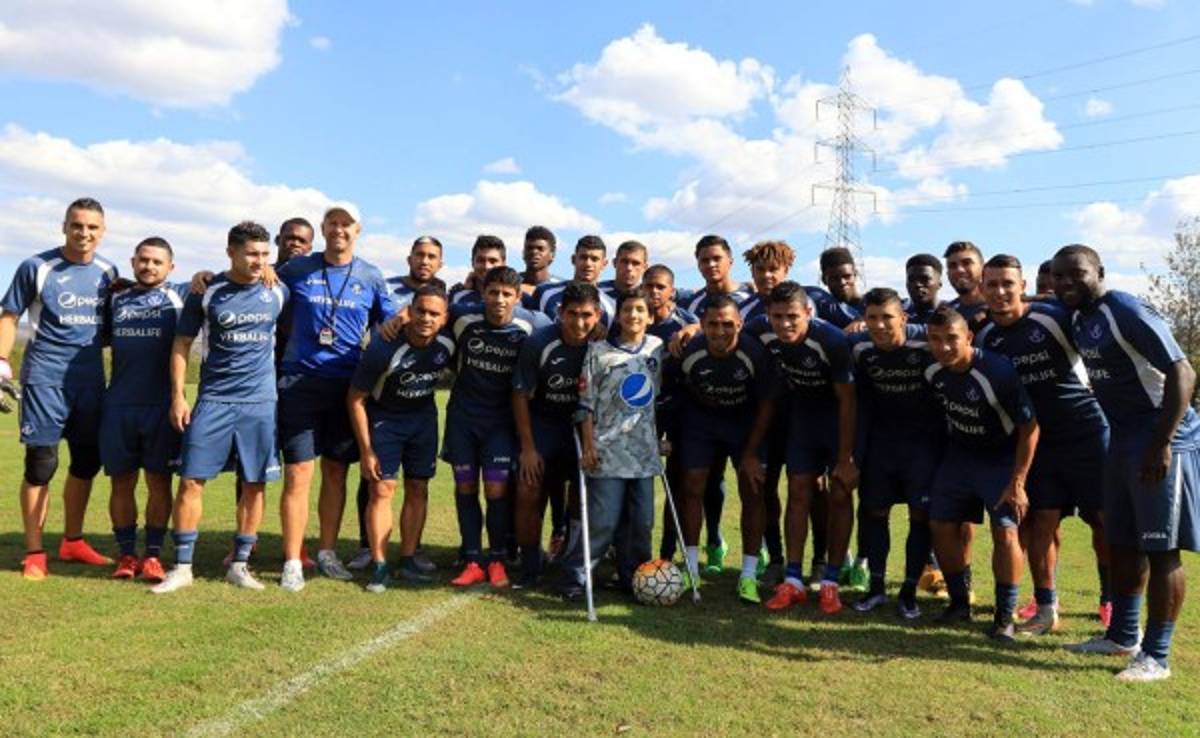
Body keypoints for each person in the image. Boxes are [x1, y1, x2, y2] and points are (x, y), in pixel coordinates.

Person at [1056, 244, 1200, 683]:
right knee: (1122, 542)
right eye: (1058, 276)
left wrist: (1162, 443)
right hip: (1121, 441)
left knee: (1161, 548)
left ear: (1099, 272)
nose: (1066, 283)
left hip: (1162, 439)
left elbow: (1183, 372)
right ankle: (1122, 636)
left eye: (1076, 274)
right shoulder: (1079, 318)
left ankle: (1156, 656)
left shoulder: (1124, 309)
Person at [976, 255, 1111, 635]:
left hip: (1086, 432)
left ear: (1022, 287)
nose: (1000, 292)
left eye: (1008, 283)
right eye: (992, 285)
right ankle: (1047, 607)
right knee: (1041, 523)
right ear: (982, 289)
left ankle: (1111, 601)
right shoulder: (986, 337)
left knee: (1103, 520)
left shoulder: (1053, 318)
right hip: (1037, 443)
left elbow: (1099, 348)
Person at [152, 221, 288, 593]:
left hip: (260, 402)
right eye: (252, 254)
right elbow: (182, 344)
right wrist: (178, 395)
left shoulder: (278, 290)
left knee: (255, 483)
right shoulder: (206, 291)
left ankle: (240, 565)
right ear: (231, 252)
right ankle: (182, 567)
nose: (260, 261)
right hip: (214, 400)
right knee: (191, 480)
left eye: (265, 254)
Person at [275, 202, 397, 591]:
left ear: (358, 230)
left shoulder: (370, 276)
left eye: (347, 224)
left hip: (346, 386)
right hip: (299, 381)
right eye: (333, 223)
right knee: (298, 472)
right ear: (323, 228)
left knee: (335, 471)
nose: (339, 230)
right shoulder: (297, 269)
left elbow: (391, 323)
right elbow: (259, 280)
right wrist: (205, 278)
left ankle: (327, 552)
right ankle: (292, 560)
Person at [0, 197, 119, 579]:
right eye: (77, 225)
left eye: (92, 227)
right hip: (45, 379)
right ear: (64, 226)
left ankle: (73, 541)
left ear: (103, 231)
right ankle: (35, 552)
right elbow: (9, 315)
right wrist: (1, 361)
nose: (84, 233)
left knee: (87, 462)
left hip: (90, 380)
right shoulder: (36, 267)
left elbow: (111, 327)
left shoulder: (109, 272)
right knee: (42, 463)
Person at [923, 306, 1039, 640]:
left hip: (1000, 460)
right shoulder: (931, 368)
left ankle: (1005, 616)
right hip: (959, 457)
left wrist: (1018, 481)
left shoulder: (997, 372)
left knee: (1005, 532)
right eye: (935, 339)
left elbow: (1030, 428)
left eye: (952, 338)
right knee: (940, 524)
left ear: (969, 338)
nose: (944, 346)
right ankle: (959, 603)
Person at [750, 283, 857, 614]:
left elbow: (848, 401)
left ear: (808, 312)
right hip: (803, 419)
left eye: (792, 317)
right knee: (797, 490)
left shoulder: (831, 340)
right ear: (768, 315)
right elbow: (730, 331)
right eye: (777, 317)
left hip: (837, 419)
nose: (785, 324)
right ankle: (793, 580)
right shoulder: (759, 330)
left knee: (840, 492)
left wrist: (845, 457)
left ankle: (831, 582)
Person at [443, 266, 549, 588]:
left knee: (496, 490)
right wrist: (401, 316)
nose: (499, 300)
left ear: (517, 297)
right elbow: (427, 308)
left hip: (501, 423)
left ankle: (498, 559)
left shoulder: (533, 323)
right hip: (463, 418)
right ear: (483, 294)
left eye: (506, 294)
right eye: (493, 292)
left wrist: (598, 330)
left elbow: (565, 330)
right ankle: (473, 560)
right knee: (465, 487)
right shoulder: (462, 317)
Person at [347, 285, 454, 592]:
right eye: (420, 311)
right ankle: (379, 564)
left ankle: (408, 559)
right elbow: (355, 399)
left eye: (434, 313)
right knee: (382, 489)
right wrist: (366, 450)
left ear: (445, 318)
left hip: (424, 421)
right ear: (410, 311)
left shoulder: (448, 343)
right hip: (386, 422)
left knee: (418, 487)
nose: (426, 318)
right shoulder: (383, 347)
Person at [669, 294, 774, 603]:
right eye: (712, 324)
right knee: (692, 486)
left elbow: (767, 405)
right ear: (702, 325)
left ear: (739, 324)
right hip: (702, 424)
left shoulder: (754, 353)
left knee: (752, 489)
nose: (720, 331)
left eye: (727, 324)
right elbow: (675, 388)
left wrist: (751, 454)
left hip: (745, 425)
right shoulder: (689, 351)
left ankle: (748, 575)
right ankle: (691, 569)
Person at [562, 287, 664, 598]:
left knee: (642, 522)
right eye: (627, 310)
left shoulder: (657, 348)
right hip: (607, 450)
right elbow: (585, 404)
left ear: (650, 317)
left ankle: (634, 577)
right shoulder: (598, 352)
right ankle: (577, 576)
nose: (634, 315)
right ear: (617, 316)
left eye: (640, 310)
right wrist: (588, 445)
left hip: (644, 453)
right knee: (603, 520)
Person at [848, 287, 941, 618]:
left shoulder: (927, 342)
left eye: (887, 317)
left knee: (920, 517)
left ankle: (908, 592)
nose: (879, 325)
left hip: (922, 447)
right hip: (881, 446)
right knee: (875, 514)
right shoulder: (859, 347)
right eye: (872, 318)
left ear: (903, 318)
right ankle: (875, 588)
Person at [101, 237, 189, 583]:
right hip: (119, 405)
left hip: (162, 406)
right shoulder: (115, 298)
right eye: (144, 260)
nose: (149, 266)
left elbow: (217, 279)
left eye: (157, 261)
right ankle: (126, 554)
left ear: (171, 267)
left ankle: (152, 555)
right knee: (121, 481)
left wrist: (205, 275)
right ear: (133, 261)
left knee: (158, 481)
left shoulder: (181, 294)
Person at [673, 235, 755, 575]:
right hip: (705, 416)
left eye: (716, 258)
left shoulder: (751, 297)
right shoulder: (692, 302)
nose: (710, 265)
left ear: (730, 261)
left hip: (745, 413)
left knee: (755, 484)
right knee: (703, 481)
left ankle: (758, 557)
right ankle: (707, 546)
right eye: (704, 259)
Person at [512, 282, 602, 587]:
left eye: (587, 315)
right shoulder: (539, 342)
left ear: (597, 315)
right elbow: (520, 394)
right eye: (572, 314)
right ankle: (530, 564)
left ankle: (573, 561)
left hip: (584, 428)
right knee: (528, 488)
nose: (579, 322)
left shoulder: (603, 345)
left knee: (582, 494)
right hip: (544, 426)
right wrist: (528, 448)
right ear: (561, 312)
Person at [737, 240, 796, 583]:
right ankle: (775, 557)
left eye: (774, 269)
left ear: (786, 270)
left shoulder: (808, 302)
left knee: (812, 488)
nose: (767, 275)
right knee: (766, 487)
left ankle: (821, 559)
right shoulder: (746, 311)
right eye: (760, 270)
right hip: (762, 415)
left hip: (804, 414)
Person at [641, 265, 700, 565]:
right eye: (649, 286)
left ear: (671, 291)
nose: (654, 292)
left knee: (677, 482)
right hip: (642, 413)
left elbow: (704, 327)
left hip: (679, 412)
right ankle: (632, 549)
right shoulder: (634, 317)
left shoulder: (686, 323)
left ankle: (667, 552)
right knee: (636, 481)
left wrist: (695, 328)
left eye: (660, 287)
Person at [525, 235, 616, 326]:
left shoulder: (610, 306)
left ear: (604, 264)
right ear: (573, 259)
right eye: (583, 257)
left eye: (594, 259)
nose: (588, 263)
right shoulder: (544, 293)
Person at [805, 247, 865, 329]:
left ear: (855, 275)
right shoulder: (820, 305)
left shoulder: (871, 305)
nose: (842, 282)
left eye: (847, 276)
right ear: (824, 280)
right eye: (834, 278)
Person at [451, 235, 506, 306]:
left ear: (503, 264)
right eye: (481, 260)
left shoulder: (514, 299)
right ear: (472, 263)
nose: (487, 266)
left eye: (493, 261)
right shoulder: (457, 298)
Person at [944, 241, 987, 328]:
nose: (959, 270)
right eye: (952, 265)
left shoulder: (1001, 309)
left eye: (967, 263)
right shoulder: (946, 312)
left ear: (983, 268)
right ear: (947, 273)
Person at [904, 253, 943, 325]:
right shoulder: (896, 313)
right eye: (911, 279)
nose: (917, 284)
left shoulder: (954, 314)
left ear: (939, 283)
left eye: (925, 279)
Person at [520, 225, 559, 295]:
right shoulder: (510, 284)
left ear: (552, 255)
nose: (534, 252)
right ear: (523, 252)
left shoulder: (559, 288)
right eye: (529, 248)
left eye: (540, 249)